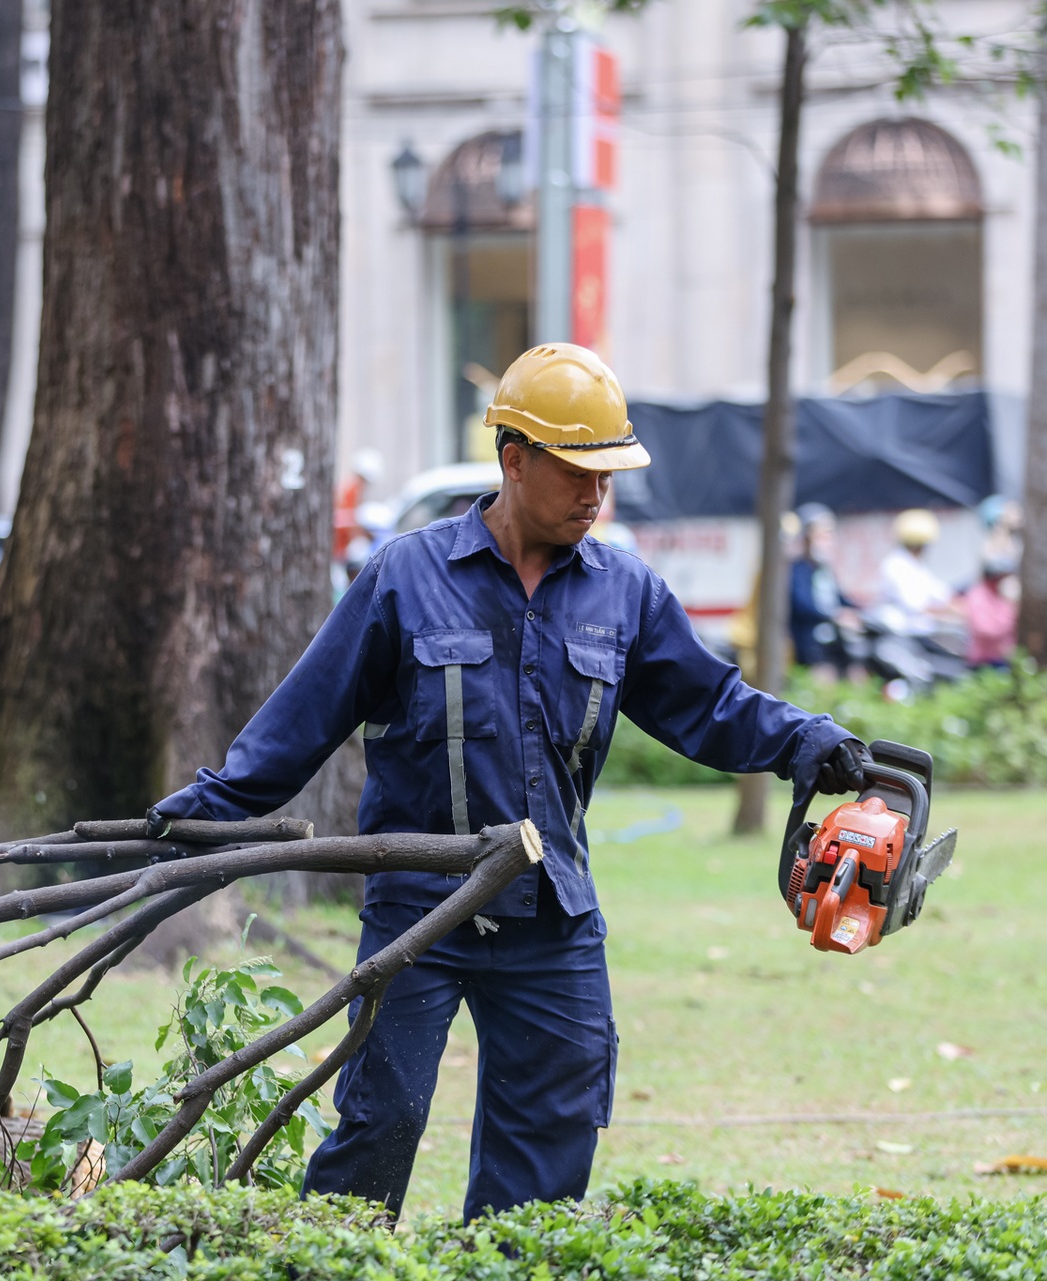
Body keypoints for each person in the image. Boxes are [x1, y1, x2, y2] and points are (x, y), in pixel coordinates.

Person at [146, 343, 865, 1221]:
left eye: (608, 473)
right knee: (384, 1119)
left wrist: (807, 742)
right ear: (514, 460)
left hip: (552, 912)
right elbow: (305, 716)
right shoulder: (407, 577)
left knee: (548, 1154)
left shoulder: (624, 592)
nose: (595, 493)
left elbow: (710, 704)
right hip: (419, 906)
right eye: (576, 471)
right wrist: (209, 811)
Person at [788, 503, 860, 682]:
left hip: (836, 639)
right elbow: (802, 604)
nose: (826, 541)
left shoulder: (824, 571)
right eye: (820, 535)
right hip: (811, 642)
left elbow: (840, 599)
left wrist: (859, 611)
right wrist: (834, 615)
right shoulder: (797, 570)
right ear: (806, 538)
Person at [875, 509, 956, 638]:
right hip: (902, 636)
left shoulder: (916, 565)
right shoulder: (896, 565)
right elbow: (915, 605)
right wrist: (951, 612)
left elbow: (941, 594)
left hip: (920, 634)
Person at [959, 556, 1018, 668]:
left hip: (1003, 658)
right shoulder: (978, 596)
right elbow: (985, 630)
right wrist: (1009, 613)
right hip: (984, 661)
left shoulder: (1001, 596)